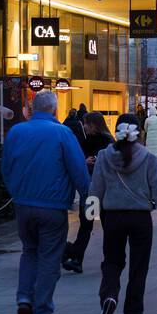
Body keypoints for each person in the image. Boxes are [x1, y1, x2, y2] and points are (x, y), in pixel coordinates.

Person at [0, 89, 90, 314]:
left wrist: (16, 192)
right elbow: (78, 170)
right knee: (50, 257)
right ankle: (42, 311)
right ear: (54, 109)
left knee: (29, 251)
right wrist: (87, 196)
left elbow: (6, 166)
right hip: (52, 206)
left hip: (23, 204)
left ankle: (24, 299)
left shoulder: (17, 132)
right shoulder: (62, 133)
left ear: (32, 109)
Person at [90, 114, 157, 314]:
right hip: (140, 218)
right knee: (139, 266)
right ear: (139, 133)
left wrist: (91, 216)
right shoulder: (149, 159)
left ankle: (109, 296)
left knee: (112, 261)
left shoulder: (104, 157)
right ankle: (133, 313)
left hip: (112, 217)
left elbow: (95, 189)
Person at [63, 112, 114, 274]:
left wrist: (96, 162)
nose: (84, 126)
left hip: (101, 192)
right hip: (92, 193)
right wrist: (85, 162)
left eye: (86, 123)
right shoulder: (90, 142)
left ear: (93, 124)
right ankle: (77, 258)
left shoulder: (107, 141)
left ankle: (108, 259)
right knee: (87, 224)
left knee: (100, 225)